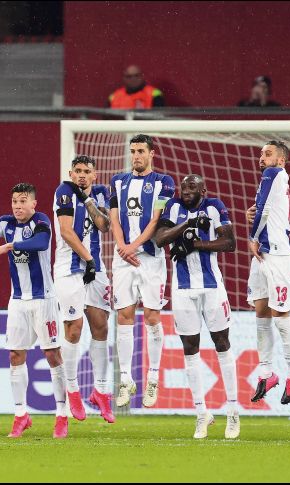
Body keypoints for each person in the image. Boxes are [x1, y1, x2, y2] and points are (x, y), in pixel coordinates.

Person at [0, 184, 69, 438]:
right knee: (15, 355)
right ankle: (21, 414)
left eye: (23, 201)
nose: (17, 206)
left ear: (34, 204)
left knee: (52, 355)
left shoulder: (41, 221)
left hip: (44, 300)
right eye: (14, 201)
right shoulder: (6, 223)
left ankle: (61, 414)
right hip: (17, 301)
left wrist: (9, 246)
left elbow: (40, 242)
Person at [154, 174, 239, 439]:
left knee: (222, 344)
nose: (186, 191)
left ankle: (233, 412)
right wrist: (188, 224)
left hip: (212, 287)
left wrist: (194, 245)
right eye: (184, 187)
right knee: (189, 349)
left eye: (192, 187)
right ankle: (201, 414)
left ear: (203, 189)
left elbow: (230, 243)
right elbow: (160, 238)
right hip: (182, 289)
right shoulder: (173, 207)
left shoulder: (215, 206)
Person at [109, 134, 175, 408]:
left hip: (150, 258)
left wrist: (133, 246)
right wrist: (122, 246)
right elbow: (114, 216)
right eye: (133, 151)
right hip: (123, 256)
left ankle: (153, 378)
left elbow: (156, 219)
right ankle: (125, 379)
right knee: (124, 315)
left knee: (151, 316)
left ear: (151, 154)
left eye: (141, 151)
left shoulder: (164, 183)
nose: (136, 156)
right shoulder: (117, 181)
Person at [51, 155, 114, 423]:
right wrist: (87, 258)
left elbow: (104, 226)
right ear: (70, 172)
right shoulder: (63, 191)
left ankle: (100, 391)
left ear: (94, 175)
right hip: (70, 269)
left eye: (86, 171)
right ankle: (73, 390)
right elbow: (66, 231)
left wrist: (88, 199)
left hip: (95, 269)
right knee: (74, 329)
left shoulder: (100, 193)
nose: (81, 176)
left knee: (101, 326)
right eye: (77, 171)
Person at [246, 140, 290, 404]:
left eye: (268, 154)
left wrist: (252, 235)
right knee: (260, 312)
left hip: (278, 255)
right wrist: (253, 218)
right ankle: (267, 371)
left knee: (281, 317)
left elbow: (266, 212)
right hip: (264, 255)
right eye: (261, 154)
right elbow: (267, 210)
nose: (262, 158)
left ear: (281, 160)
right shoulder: (271, 181)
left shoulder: (274, 173)